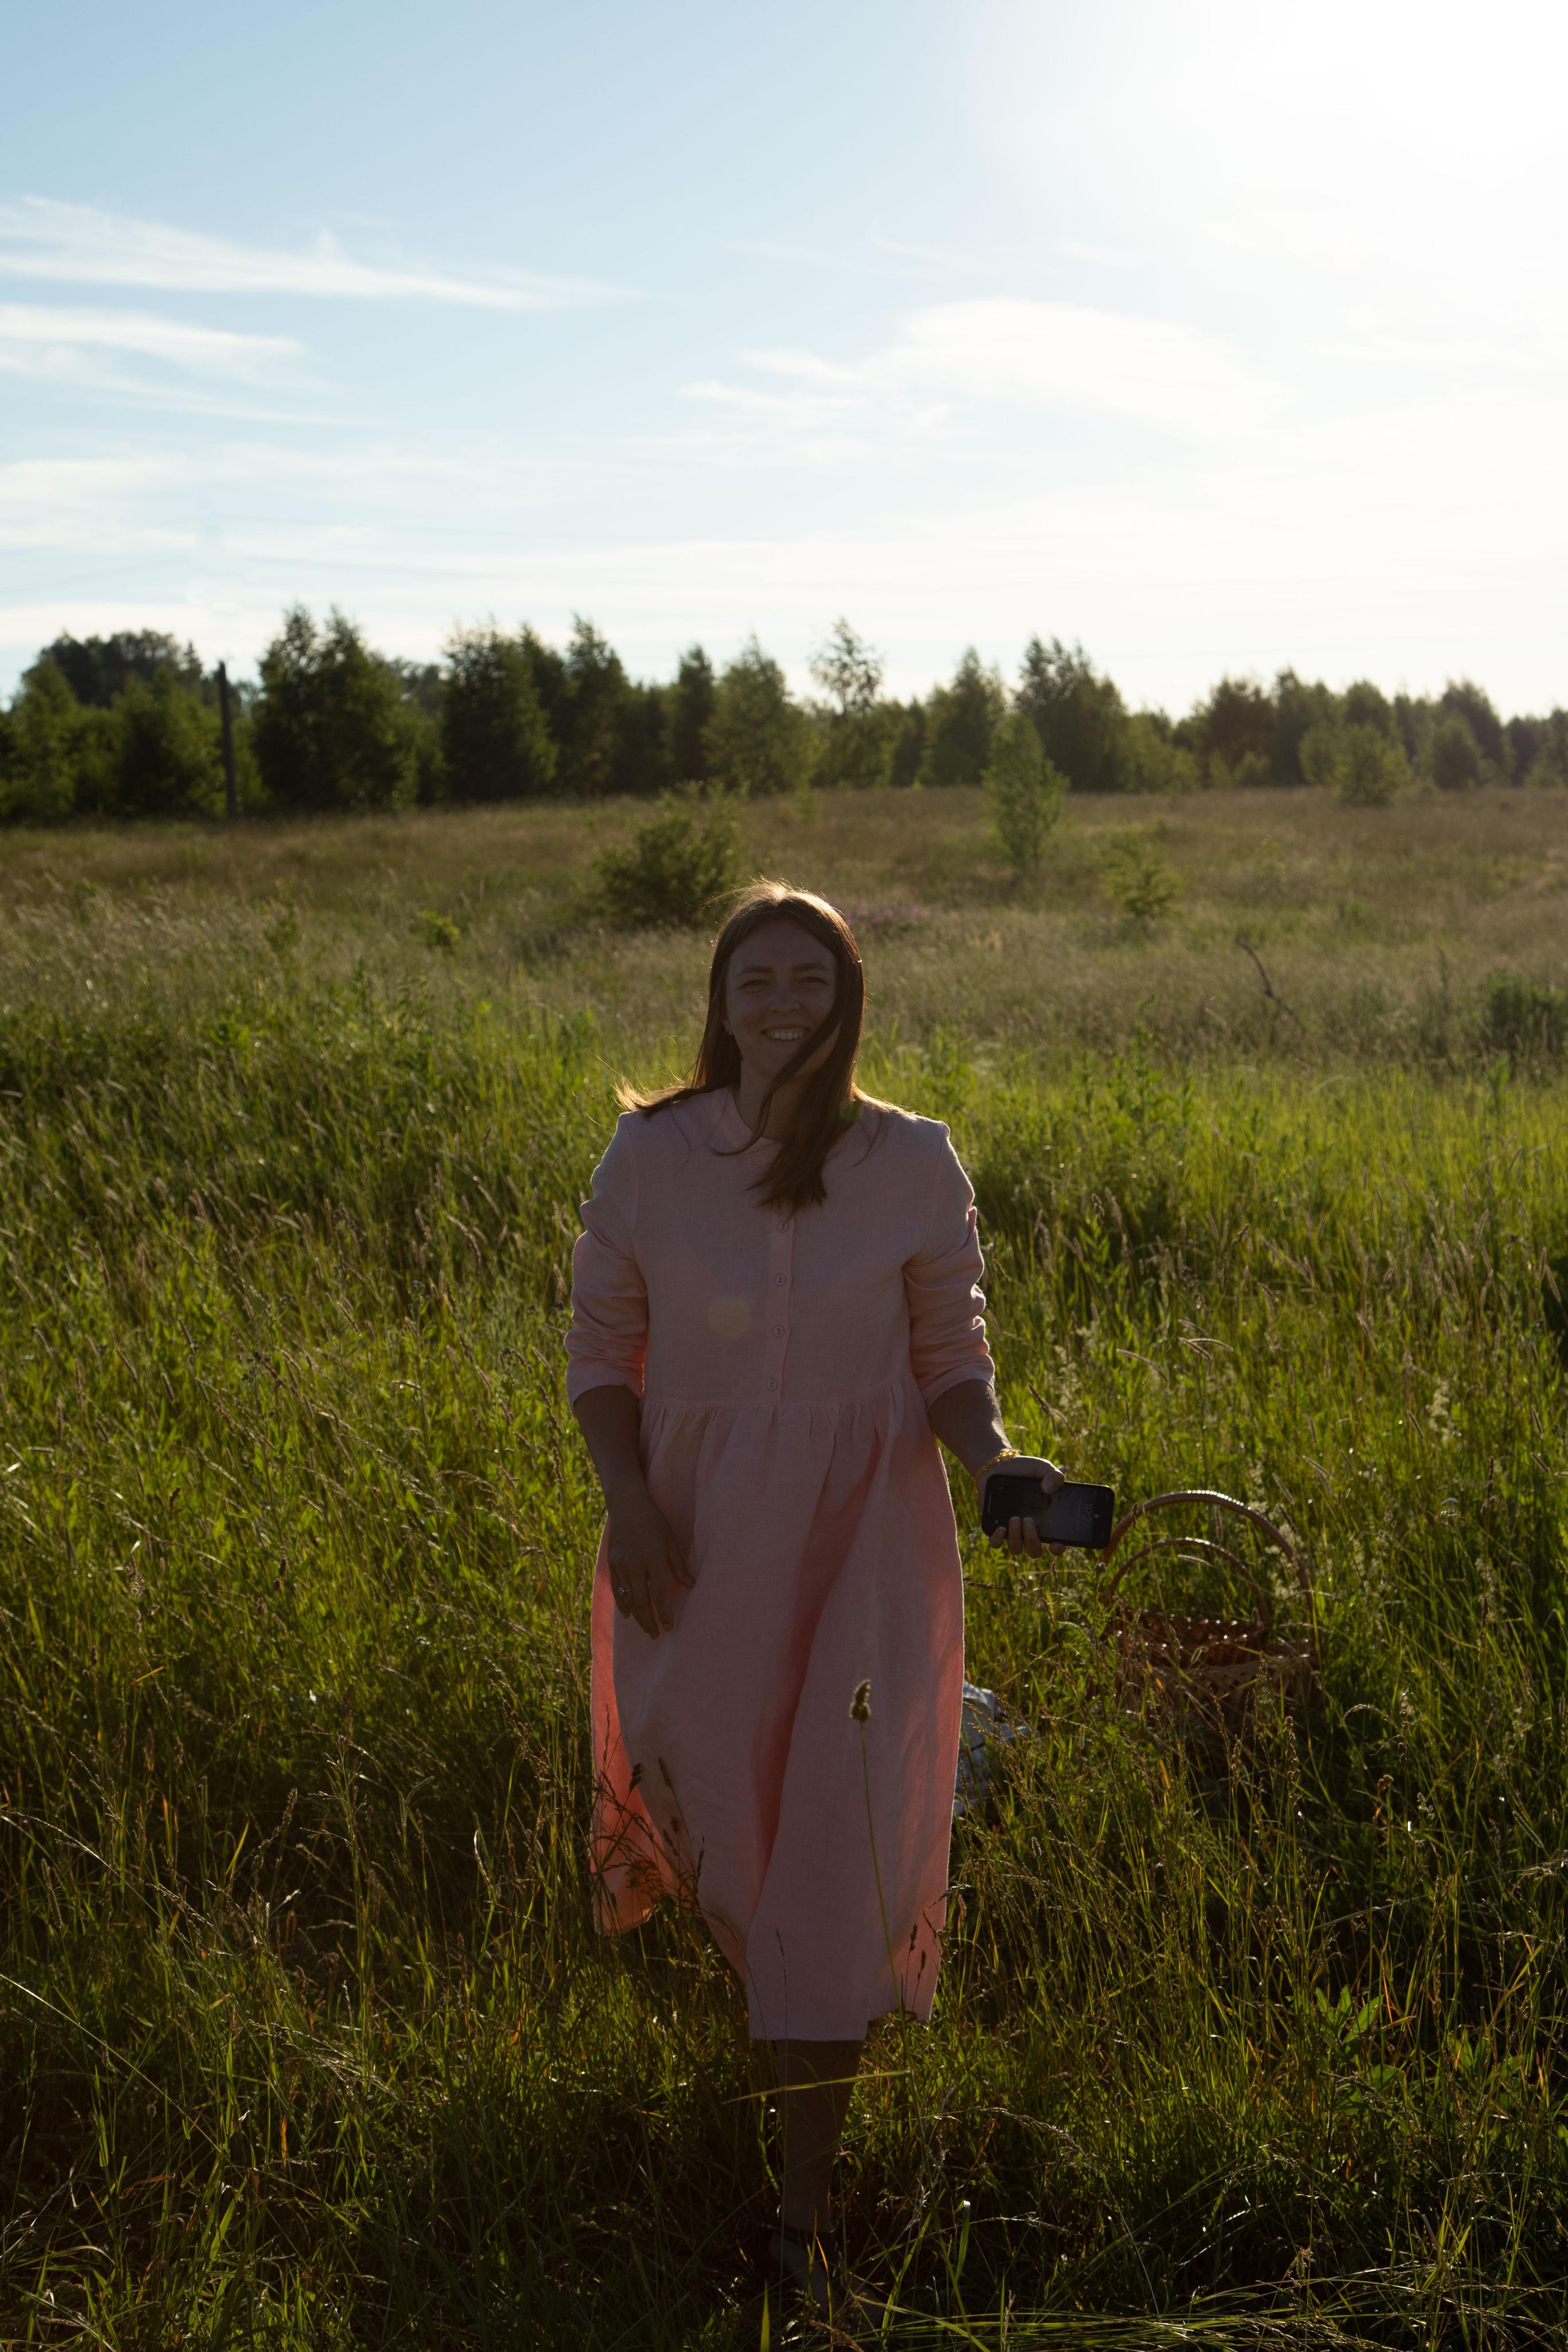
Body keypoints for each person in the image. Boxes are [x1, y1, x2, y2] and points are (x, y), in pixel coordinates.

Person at [566, 880, 1061, 2310]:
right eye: (754, 980)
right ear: (718, 1004)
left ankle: (801, 2220)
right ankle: (772, 2061)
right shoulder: (653, 1151)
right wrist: (631, 1506)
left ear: (846, 999)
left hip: (866, 1536)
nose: (781, 1001)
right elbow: (602, 1351)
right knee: (714, 1812)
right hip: (694, 1538)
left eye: (809, 978)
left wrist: (993, 1459)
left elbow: (947, 1351)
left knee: (833, 1864)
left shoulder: (910, 1159)